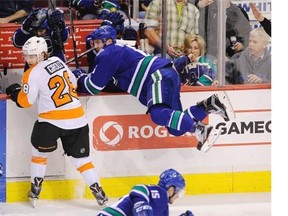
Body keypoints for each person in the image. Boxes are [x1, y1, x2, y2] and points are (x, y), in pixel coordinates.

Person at [72, 25, 235, 153]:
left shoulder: (109, 53)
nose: (95, 47)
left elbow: (93, 87)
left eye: (98, 42)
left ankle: (201, 130)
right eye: (94, 43)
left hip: (156, 77)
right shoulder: (118, 51)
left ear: (108, 41)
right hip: (166, 74)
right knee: (175, 128)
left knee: (158, 113)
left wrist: (79, 77)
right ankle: (209, 105)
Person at [5, 36, 108, 207]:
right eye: (26, 56)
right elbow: (73, 83)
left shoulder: (31, 73)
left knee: (39, 155)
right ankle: (98, 191)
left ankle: (35, 190)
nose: (28, 59)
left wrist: (15, 92)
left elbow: (25, 102)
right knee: (82, 161)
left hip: (51, 122)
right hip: (78, 121)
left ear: (42, 54)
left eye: (32, 56)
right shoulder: (58, 62)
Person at [97, 168, 194, 216]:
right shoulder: (160, 194)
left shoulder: (164, 206)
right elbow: (138, 188)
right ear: (171, 189)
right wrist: (141, 205)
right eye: (179, 192)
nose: (178, 196)